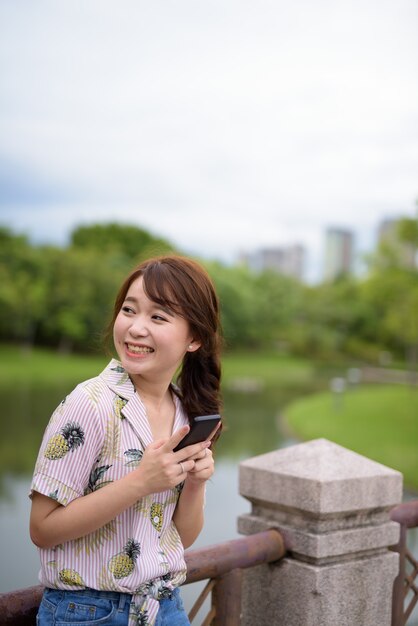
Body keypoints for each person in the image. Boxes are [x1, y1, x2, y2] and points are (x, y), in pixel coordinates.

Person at [29, 255, 223, 626]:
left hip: (165, 607)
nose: (135, 328)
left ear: (195, 338)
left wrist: (196, 483)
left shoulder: (185, 411)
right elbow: (42, 529)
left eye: (158, 317)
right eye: (129, 310)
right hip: (88, 613)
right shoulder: (89, 405)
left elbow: (178, 539)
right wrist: (140, 482)